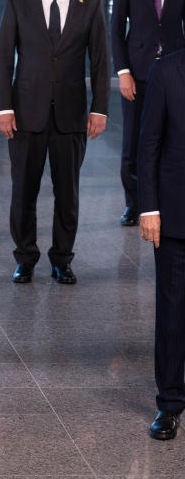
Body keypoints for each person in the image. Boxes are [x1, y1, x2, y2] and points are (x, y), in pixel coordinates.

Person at [0, 0, 110, 285]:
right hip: (26, 114)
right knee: (23, 191)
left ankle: (62, 259)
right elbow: (3, 60)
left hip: (72, 116)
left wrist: (99, 109)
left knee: (68, 193)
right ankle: (25, 258)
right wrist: (3, 108)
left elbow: (101, 63)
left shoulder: (90, 4)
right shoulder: (18, 3)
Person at [111, 0, 185, 227]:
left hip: (174, 71)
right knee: (134, 139)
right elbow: (116, 31)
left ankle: (168, 201)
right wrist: (123, 71)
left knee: (173, 136)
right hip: (138, 72)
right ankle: (134, 203)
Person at [139, 48, 185, 440]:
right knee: (172, 314)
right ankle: (169, 403)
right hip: (175, 215)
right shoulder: (166, 70)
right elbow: (148, 142)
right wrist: (148, 207)